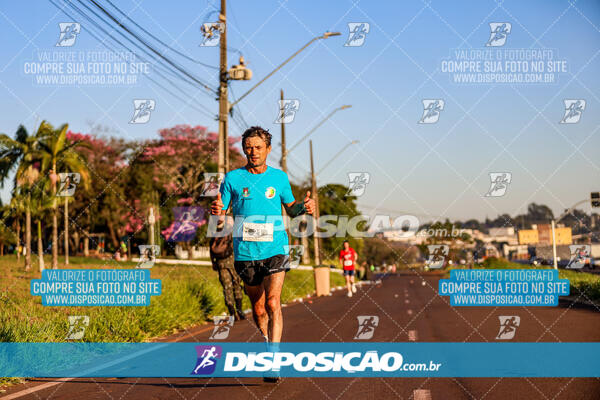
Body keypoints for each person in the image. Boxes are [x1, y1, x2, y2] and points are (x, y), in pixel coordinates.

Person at [211, 126, 315, 383]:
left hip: (275, 249)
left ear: (268, 149)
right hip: (245, 253)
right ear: (243, 149)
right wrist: (217, 209)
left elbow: (292, 210)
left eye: (258, 147)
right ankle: (267, 341)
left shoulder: (279, 178)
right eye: (248, 147)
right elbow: (220, 211)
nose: (253, 152)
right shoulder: (233, 179)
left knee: (272, 302)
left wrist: (306, 207)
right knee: (258, 309)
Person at [210, 219, 245, 321]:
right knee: (237, 286)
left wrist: (213, 263)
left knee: (227, 288)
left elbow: (211, 251)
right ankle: (240, 311)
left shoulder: (215, 235)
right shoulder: (232, 234)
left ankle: (232, 313)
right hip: (233, 263)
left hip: (221, 264)